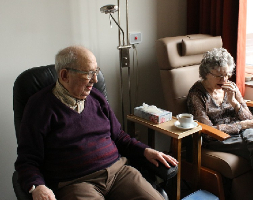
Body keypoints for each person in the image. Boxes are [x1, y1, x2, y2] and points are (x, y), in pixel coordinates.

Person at [15, 45, 178, 200]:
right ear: (64, 75)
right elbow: (27, 160)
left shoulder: (96, 97)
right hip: (76, 183)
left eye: (96, 71)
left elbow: (119, 136)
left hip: (118, 173)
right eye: (88, 73)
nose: (95, 79)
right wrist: (37, 186)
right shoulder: (39, 107)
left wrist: (145, 151)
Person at [187, 48, 253, 200]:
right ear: (206, 73)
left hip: (243, 132)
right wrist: (242, 126)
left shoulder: (231, 87)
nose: (225, 79)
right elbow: (208, 131)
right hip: (219, 138)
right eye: (219, 75)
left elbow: (249, 119)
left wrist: (234, 102)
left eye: (227, 74)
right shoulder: (197, 95)